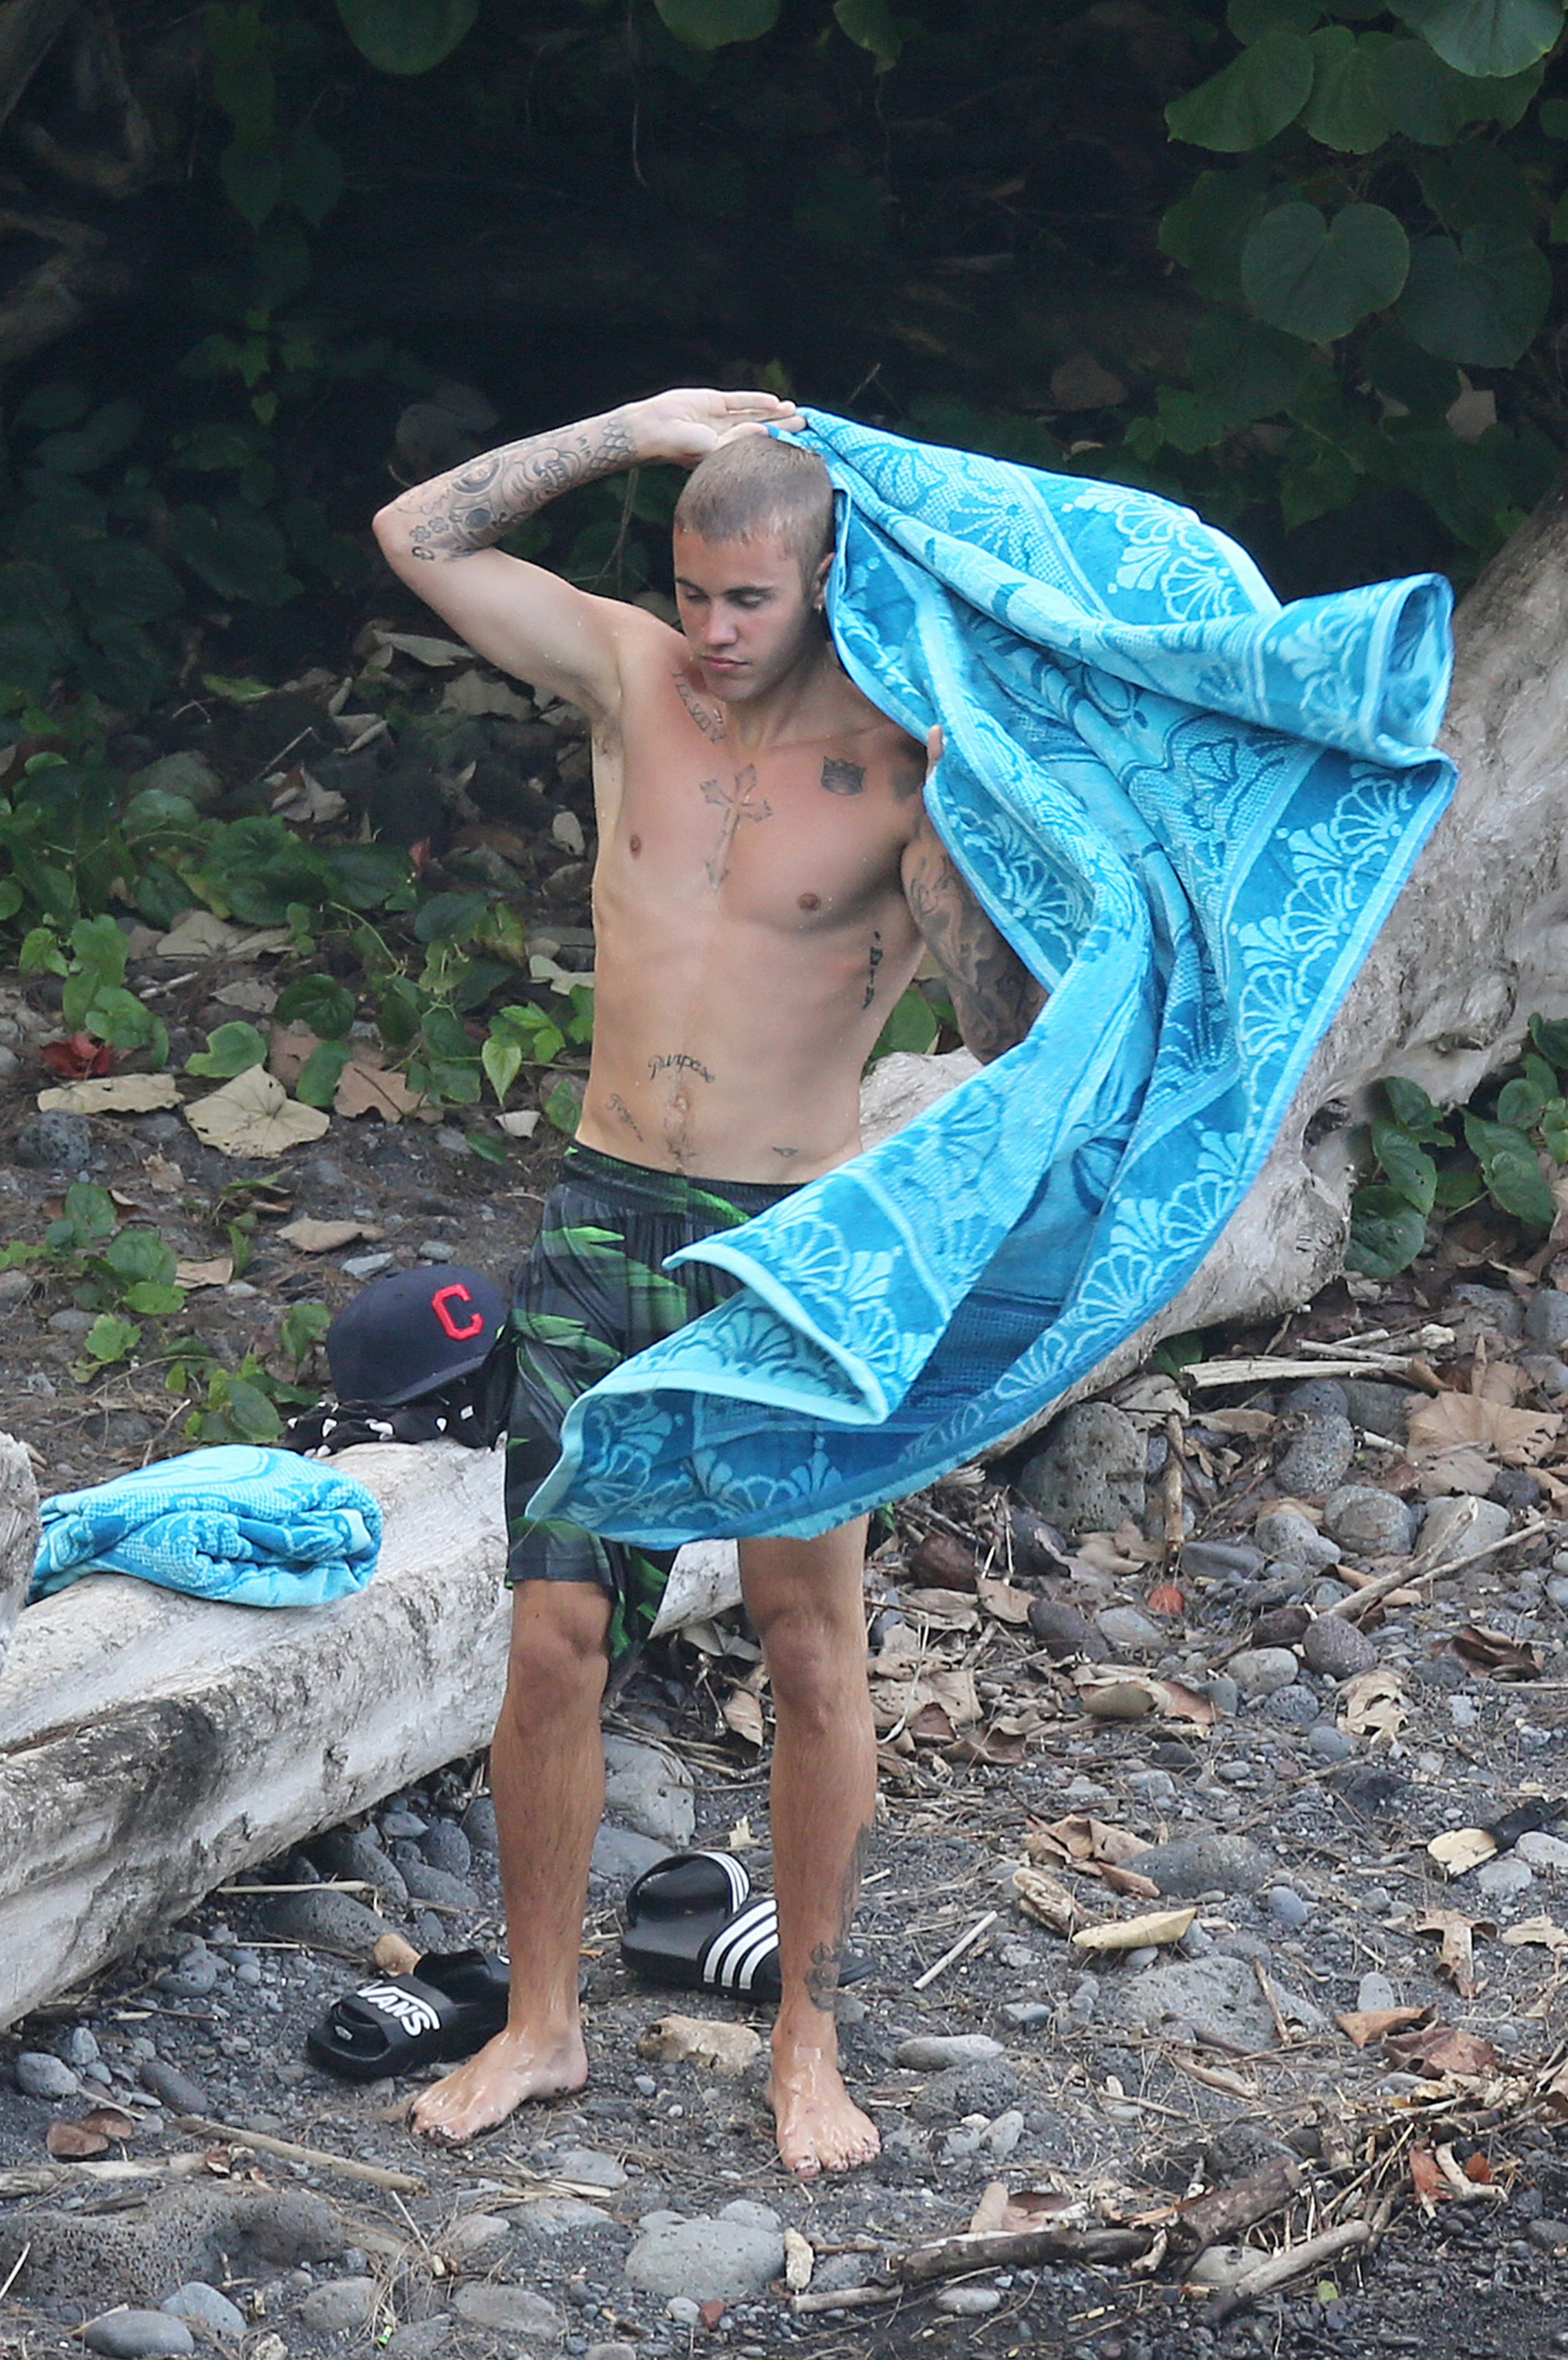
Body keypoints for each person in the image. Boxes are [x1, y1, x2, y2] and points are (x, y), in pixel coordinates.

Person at [372, 388, 1041, 2176]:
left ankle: (808, 2040)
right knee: (553, 1641)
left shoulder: (911, 761)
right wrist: (636, 425)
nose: (713, 629)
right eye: (693, 589)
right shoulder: (627, 678)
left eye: (748, 599)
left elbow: (1012, 1036)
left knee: (814, 1648)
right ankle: (540, 2022)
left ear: (827, 587)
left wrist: (976, 880)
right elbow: (417, 538)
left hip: (795, 1253)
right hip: (602, 1214)